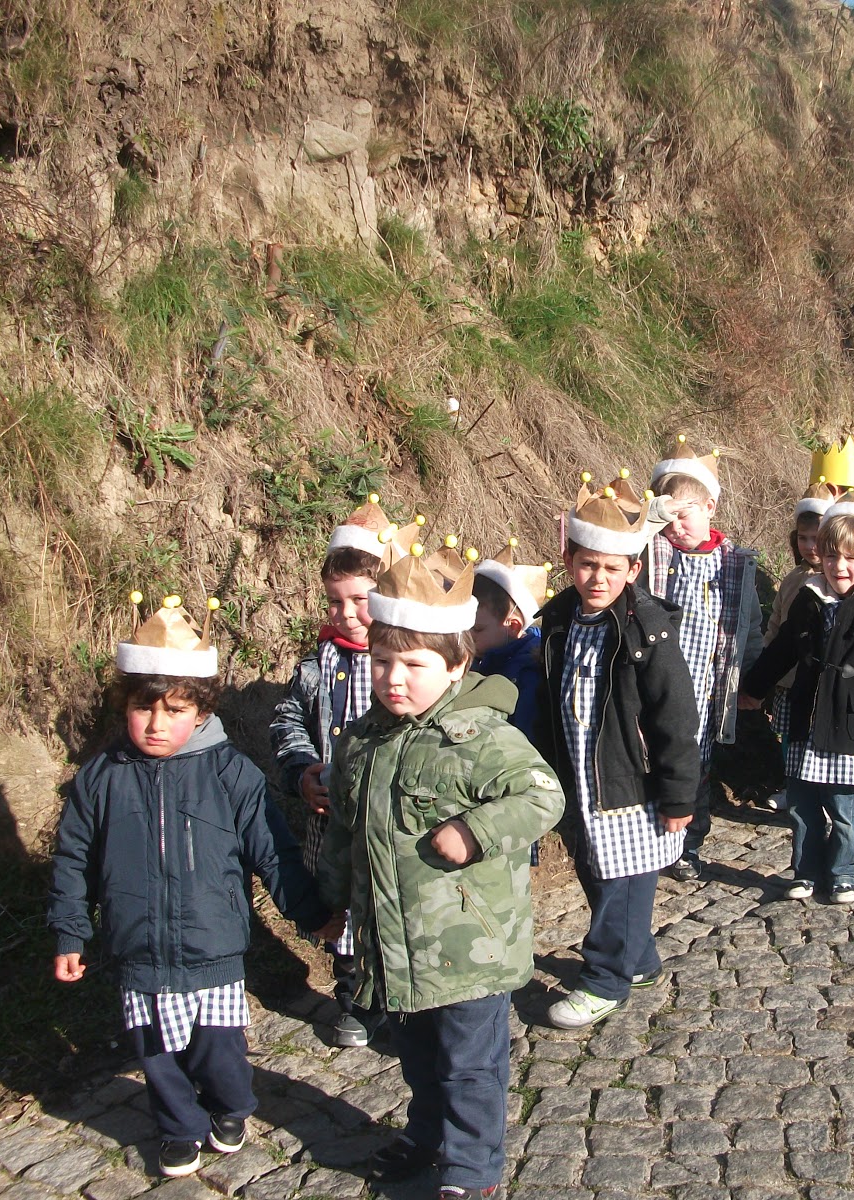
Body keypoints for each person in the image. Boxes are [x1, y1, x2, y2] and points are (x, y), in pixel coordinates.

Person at [50, 594, 338, 1179]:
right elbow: (73, 859)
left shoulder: (231, 772)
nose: (157, 724)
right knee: (156, 1053)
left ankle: (230, 1106)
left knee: (218, 1049)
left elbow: (273, 851)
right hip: (138, 949)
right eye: (144, 708)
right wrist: (69, 933)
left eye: (175, 710)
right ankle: (178, 1127)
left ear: (202, 711)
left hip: (214, 948)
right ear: (125, 704)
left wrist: (312, 915)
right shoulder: (100, 778)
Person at [317, 543, 564, 1196]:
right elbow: (345, 831)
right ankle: (426, 1134)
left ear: (456, 665)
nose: (394, 679)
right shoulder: (361, 743)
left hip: (469, 949)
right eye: (382, 662)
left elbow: (542, 795)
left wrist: (475, 831)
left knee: (469, 1067)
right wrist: (332, 901)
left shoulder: (481, 735)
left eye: (413, 665)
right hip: (395, 947)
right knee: (420, 1060)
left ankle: (470, 1169)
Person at [538, 474, 701, 1029]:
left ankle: (605, 980)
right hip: (581, 777)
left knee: (621, 886)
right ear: (569, 561)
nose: (598, 578)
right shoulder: (559, 619)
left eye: (612, 568)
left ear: (634, 569)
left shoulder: (647, 631)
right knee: (595, 872)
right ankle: (641, 960)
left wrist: (679, 796)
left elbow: (675, 718)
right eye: (588, 565)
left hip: (632, 782)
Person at [270, 496, 402, 1048]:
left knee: (390, 905)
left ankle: (397, 999)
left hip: (389, 818)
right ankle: (352, 996)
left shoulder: (402, 660)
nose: (346, 614)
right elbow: (288, 720)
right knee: (342, 907)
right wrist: (301, 771)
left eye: (359, 600)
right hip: (331, 822)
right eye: (335, 601)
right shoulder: (315, 667)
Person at [740, 499, 854, 904]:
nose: (840, 566)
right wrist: (754, 688)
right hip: (806, 719)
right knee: (802, 807)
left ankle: (843, 873)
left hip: (853, 726)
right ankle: (805, 871)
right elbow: (781, 651)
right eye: (833, 555)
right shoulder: (808, 599)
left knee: (844, 811)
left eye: (852, 558)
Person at [645, 436, 761, 880]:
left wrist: (752, 678)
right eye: (667, 517)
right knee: (656, 760)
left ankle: (688, 845)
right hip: (660, 687)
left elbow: (748, 626)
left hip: (707, 691)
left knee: (695, 768)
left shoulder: (733, 564)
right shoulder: (656, 553)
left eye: (685, 515)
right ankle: (654, 838)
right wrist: (651, 519)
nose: (676, 527)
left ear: (710, 507)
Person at [761, 479, 841, 812]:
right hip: (788, 677)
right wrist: (765, 670)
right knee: (789, 738)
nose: (810, 546)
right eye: (803, 538)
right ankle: (792, 785)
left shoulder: (836, 581)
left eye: (817, 538)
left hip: (818, 679)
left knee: (815, 739)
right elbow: (776, 624)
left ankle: (820, 792)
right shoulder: (793, 578)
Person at [471, 539, 550, 738]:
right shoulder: (479, 659)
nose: (467, 637)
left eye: (477, 630)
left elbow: (525, 737)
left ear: (512, 626)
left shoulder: (529, 673)